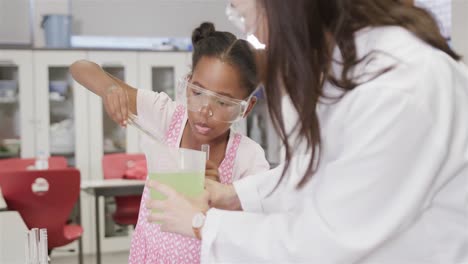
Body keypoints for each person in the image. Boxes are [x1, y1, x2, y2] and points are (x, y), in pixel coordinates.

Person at [145, 1, 468, 263]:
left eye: (245, 17)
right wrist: (232, 196)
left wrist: (203, 223)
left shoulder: (397, 87)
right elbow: (323, 170)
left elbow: (329, 240)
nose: (253, 35)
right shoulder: (348, 68)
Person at [70, 22, 270, 263]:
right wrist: (111, 89)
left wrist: (223, 197)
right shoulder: (166, 117)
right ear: (187, 83)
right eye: (197, 92)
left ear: (246, 108)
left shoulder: (248, 156)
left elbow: (260, 233)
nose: (204, 110)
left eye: (223, 102)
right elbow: (80, 68)